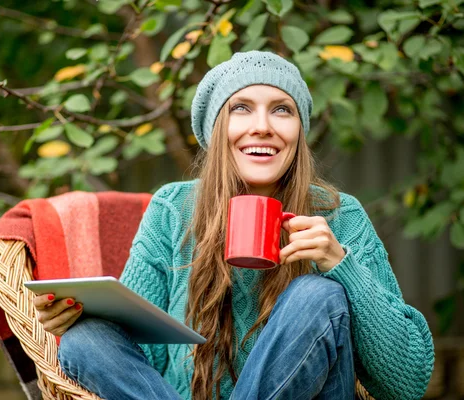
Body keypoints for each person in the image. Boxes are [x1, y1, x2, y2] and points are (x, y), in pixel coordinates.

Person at [33, 51, 435, 400]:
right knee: (85, 341)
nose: (262, 125)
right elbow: (146, 349)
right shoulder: (174, 208)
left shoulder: (338, 215)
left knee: (317, 295)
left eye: (282, 109)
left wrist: (339, 263)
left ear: (299, 131)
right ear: (216, 129)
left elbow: (407, 384)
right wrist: (78, 317)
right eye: (241, 107)